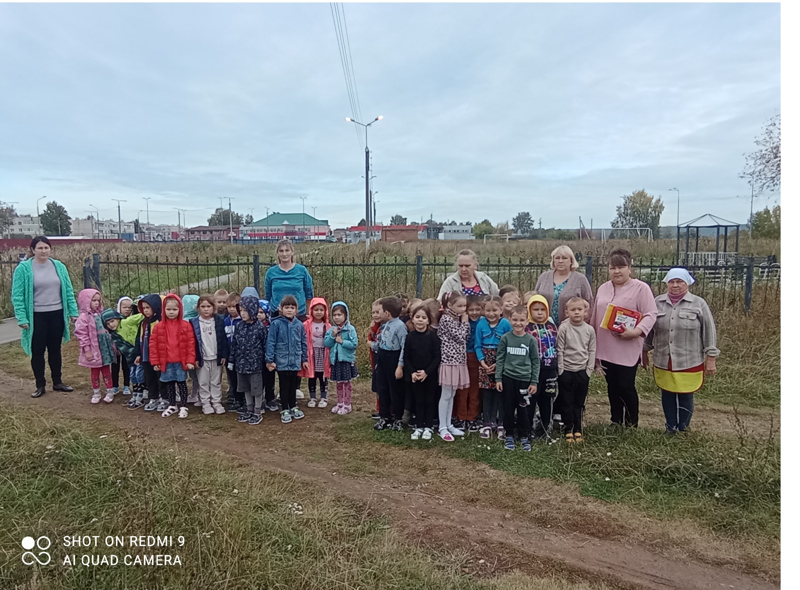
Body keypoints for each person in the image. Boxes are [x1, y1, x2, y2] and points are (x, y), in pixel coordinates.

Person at [642, 268, 719, 434]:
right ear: (666, 283)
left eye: (679, 282)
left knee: (685, 393)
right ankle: (670, 427)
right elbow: (649, 330)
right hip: (664, 358)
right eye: (671, 282)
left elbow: (709, 331)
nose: (675, 285)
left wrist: (711, 358)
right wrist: (644, 352)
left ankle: (683, 427)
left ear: (688, 283)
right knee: (667, 392)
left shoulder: (699, 304)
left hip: (689, 359)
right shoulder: (657, 302)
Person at [590, 248, 657, 428]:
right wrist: (593, 347)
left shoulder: (641, 288)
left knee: (626, 385)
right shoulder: (604, 288)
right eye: (613, 268)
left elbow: (651, 314)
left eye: (621, 267)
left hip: (627, 346)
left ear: (629, 267)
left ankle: (631, 422)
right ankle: (616, 420)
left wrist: (636, 332)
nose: (616, 271)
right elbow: (596, 316)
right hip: (605, 346)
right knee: (612, 385)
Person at [11, 236, 78, 397]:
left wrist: (73, 312)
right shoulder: (24, 269)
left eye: (46, 247)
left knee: (55, 350)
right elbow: (17, 295)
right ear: (33, 250)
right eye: (40, 248)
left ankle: (58, 382)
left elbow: (68, 290)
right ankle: (40, 385)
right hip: (36, 316)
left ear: (50, 249)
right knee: (38, 351)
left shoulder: (59, 266)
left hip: (56, 314)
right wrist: (22, 317)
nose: (43, 251)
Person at [264, 240, 314, 400]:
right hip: (276, 316)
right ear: (277, 253)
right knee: (280, 350)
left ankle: (295, 386)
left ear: (292, 252)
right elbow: (267, 295)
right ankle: (281, 387)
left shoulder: (301, 271)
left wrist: (306, 313)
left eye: (287, 250)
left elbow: (309, 293)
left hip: (297, 315)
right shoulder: (271, 273)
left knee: (295, 348)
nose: (284, 254)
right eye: (281, 251)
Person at [496, 306, 540, 452]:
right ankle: (509, 434)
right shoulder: (505, 338)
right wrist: (498, 378)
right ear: (510, 320)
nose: (518, 323)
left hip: (525, 380)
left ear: (527, 321)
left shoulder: (531, 340)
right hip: (508, 378)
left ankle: (524, 435)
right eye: (515, 320)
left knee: (524, 409)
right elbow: (500, 359)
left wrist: (534, 381)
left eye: (522, 320)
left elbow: (535, 361)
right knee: (508, 408)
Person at [150, 294, 196, 419]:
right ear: (164, 310)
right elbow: (153, 345)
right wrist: (155, 362)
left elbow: (190, 344)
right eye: (168, 309)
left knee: (182, 384)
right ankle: (172, 405)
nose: (171, 312)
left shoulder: (185, 325)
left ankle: (184, 406)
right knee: (169, 384)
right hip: (166, 362)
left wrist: (190, 360)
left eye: (174, 309)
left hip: (180, 362)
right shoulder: (159, 327)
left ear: (180, 310)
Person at [557, 297, 596, 443]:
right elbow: (559, 349)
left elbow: (592, 350)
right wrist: (561, 370)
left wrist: (589, 371)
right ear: (567, 312)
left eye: (580, 309)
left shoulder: (589, 330)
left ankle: (578, 428)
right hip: (566, 370)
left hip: (582, 371)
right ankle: (568, 428)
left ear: (586, 312)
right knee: (566, 401)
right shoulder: (564, 328)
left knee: (579, 402)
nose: (577, 312)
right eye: (573, 310)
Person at [266, 295, 309, 424]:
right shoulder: (276, 324)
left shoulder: (299, 325)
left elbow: (303, 343)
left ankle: (293, 406)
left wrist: (304, 359)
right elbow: (271, 342)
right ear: (281, 309)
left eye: (292, 307)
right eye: (286, 307)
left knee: (293, 385)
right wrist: (269, 360)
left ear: (296, 310)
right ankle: (284, 409)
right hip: (282, 360)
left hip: (295, 361)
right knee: (284, 385)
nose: (289, 310)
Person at [474, 296, 512, 439]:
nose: (491, 313)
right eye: (488, 310)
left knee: (500, 392)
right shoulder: (481, 324)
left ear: (501, 310)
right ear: (484, 311)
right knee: (487, 394)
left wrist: (498, 364)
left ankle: (501, 422)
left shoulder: (506, 324)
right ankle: (487, 423)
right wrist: (482, 362)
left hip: (501, 359)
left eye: (495, 310)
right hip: (485, 361)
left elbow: (509, 344)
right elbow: (477, 345)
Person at [436, 291, 471, 442]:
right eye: (460, 305)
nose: (464, 309)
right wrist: (465, 321)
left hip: (458, 360)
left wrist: (463, 321)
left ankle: (449, 424)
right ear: (450, 305)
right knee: (446, 395)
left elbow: (465, 336)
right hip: (449, 361)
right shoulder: (447, 319)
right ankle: (442, 427)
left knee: (452, 394)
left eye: (465, 305)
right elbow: (461, 336)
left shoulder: (456, 318)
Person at [403, 305, 441, 441]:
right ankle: (419, 426)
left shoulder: (433, 337)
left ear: (428, 321)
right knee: (418, 400)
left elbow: (437, 357)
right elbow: (406, 357)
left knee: (429, 400)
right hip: (415, 375)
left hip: (429, 375)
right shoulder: (410, 337)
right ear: (412, 319)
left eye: (423, 318)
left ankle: (428, 426)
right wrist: (413, 372)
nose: (420, 320)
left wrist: (426, 372)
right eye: (417, 317)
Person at [229, 296, 268, 425]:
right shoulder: (239, 326)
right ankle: (249, 408)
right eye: (241, 310)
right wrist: (232, 360)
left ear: (252, 310)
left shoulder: (260, 327)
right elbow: (234, 344)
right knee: (245, 387)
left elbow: (265, 345)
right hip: (241, 364)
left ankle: (257, 411)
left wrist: (267, 360)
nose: (243, 313)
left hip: (255, 365)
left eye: (245, 310)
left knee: (256, 388)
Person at [526, 295, 559, 439]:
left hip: (550, 369)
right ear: (529, 310)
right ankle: (529, 428)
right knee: (531, 399)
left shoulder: (552, 326)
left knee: (547, 399)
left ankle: (546, 428)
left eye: (542, 310)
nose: (539, 313)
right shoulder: (526, 327)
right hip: (532, 371)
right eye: (535, 309)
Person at [74, 289, 116, 404]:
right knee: (95, 372)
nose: (96, 303)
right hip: (94, 349)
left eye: (98, 300)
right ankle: (96, 392)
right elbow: (82, 334)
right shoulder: (83, 317)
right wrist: (87, 350)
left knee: (107, 370)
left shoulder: (101, 314)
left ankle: (109, 391)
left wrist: (112, 345)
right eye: (93, 300)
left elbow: (108, 331)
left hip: (104, 349)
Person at [371, 296, 407, 431]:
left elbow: (404, 347)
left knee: (395, 390)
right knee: (382, 388)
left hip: (394, 359)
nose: (378, 314)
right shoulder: (384, 325)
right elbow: (381, 342)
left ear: (387, 313)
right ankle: (384, 416)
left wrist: (400, 366)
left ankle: (398, 418)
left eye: (380, 311)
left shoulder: (400, 326)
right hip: (382, 358)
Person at [189, 295, 229, 415]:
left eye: (209, 306)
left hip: (216, 357)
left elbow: (223, 339)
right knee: (203, 382)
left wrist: (223, 355)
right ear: (198, 308)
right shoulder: (194, 323)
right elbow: (193, 342)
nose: (206, 309)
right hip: (202, 358)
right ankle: (205, 402)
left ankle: (216, 402)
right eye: (203, 306)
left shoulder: (218, 321)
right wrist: (195, 358)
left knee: (216, 381)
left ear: (213, 307)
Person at [534, 245, 594, 325]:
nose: (560, 261)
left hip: (571, 328)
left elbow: (589, 304)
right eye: (557, 258)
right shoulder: (544, 277)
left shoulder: (580, 279)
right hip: (545, 328)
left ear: (571, 261)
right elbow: (534, 299)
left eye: (564, 258)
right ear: (553, 261)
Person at [454, 295, 484, 432]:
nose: (474, 312)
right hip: (462, 356)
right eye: (471, 309)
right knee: (462, 389)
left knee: (474, 389)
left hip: (477, 357)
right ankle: (461, 417)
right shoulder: (460, 321)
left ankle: (472, 417)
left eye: (478, 309)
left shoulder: (483, 322)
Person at [134, 294, 167, 412]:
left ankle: (165, 398)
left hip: (158, 357)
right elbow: (139, 339)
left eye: (148, 307)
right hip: (146, 356)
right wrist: (138, 354)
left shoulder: (160, 321)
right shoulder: (143, 322)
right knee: (150, 378)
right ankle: (153, 398)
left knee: (161, 378)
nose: (146, 310)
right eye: (143, 308)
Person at [324, 301, 359, 415]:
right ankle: (340, 403)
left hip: (346, 360)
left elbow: (354, 344)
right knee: (338, 383)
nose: (337, 317)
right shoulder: (331, 330)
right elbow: (327, 343)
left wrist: (342, 342)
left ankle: (347, 404)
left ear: (345, 315)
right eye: (335, 315)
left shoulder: (350, 329)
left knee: (346, 383)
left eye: (340, 315)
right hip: (335, 360)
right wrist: (332, 336)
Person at [300, 298, 331, 408]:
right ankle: (312, 398)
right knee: (311, 376)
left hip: (323, 354)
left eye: (321, 310)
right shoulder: (306, 325)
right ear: (311, 310)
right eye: (316, 309)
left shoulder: (328, 326)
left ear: (325, 311)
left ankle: (324, 397)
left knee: (322, 376)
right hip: (311, 354)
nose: (318, 312)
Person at [257, 300, 279, 413]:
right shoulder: (253, 325)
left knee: (270, 379)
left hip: (270, 357)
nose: (259, 314)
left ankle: (270, 398)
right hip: (257, 358)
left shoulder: (272, 325)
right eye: (257, 312)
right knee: (258, 380)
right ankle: (258, 401)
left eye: (261, 312)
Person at [223, 292, 243, 412]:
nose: (232, 309)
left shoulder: (242, 321)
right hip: (229, 355)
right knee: (232, 378)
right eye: (229, 307)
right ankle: (235, 398)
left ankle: (242, 399)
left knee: (241, 378)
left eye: (235, 306)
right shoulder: (225, 321)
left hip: (240, 355)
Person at [111, 296, 134, 396]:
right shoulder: (114, 320)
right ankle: (114, 386)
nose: (127, 309)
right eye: (124, 307)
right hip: (116, 348)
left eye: (129, 307)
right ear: (119, 307)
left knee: (127, 367)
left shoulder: (132, 320)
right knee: (115, 367)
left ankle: (126, 386)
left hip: (127, 349)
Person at [182, 294, 201, 406]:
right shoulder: (197, 321)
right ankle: (195, 394)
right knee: (195, 377)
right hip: (194, 354)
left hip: (183, 354)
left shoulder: (182, 322)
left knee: (186, 376)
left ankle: (192, 394)